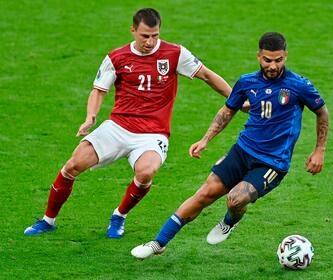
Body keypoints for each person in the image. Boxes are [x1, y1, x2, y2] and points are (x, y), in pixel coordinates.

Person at [24, 8, 234, 238]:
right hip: (117, 127)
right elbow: (98, 90)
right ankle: (48, 220)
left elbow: (207, 75)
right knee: (74, 164)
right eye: (145, 36)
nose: (150, 41)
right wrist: (91, 117)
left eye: (155, 35)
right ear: (133, 31)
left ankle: (119, 216)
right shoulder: (117, 57)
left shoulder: (175, 53)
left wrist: (235, 98)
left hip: (153, 133)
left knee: (146, 173)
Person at [130, 31, 329, 259]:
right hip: (242, 151)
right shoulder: (246, 82)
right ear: (258, 57)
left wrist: (319, 150)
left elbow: (321, 112)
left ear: (285, 56)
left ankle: (229, 222)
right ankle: (158, 243)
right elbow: (227, 111)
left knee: (236, 198)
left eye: (278, 60)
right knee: (204, 193)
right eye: (267, 60)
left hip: (272, 162)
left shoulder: (298, 85)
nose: (272, 66)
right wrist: (205, 139)